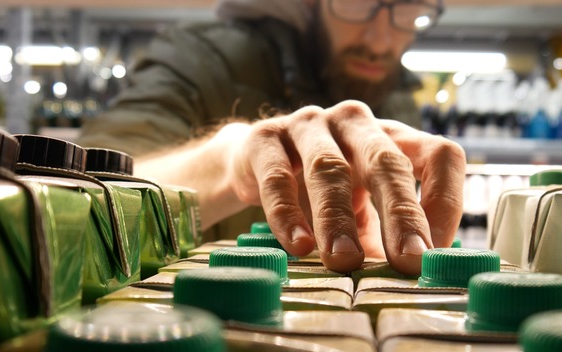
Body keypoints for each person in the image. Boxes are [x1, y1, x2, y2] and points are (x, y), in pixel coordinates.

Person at [77, 0, 466, 276]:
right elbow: (88, 192)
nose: (381, 41)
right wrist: (231, 164)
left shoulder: (394, 92)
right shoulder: (201, 56)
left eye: (410, 8)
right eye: (358, 3)